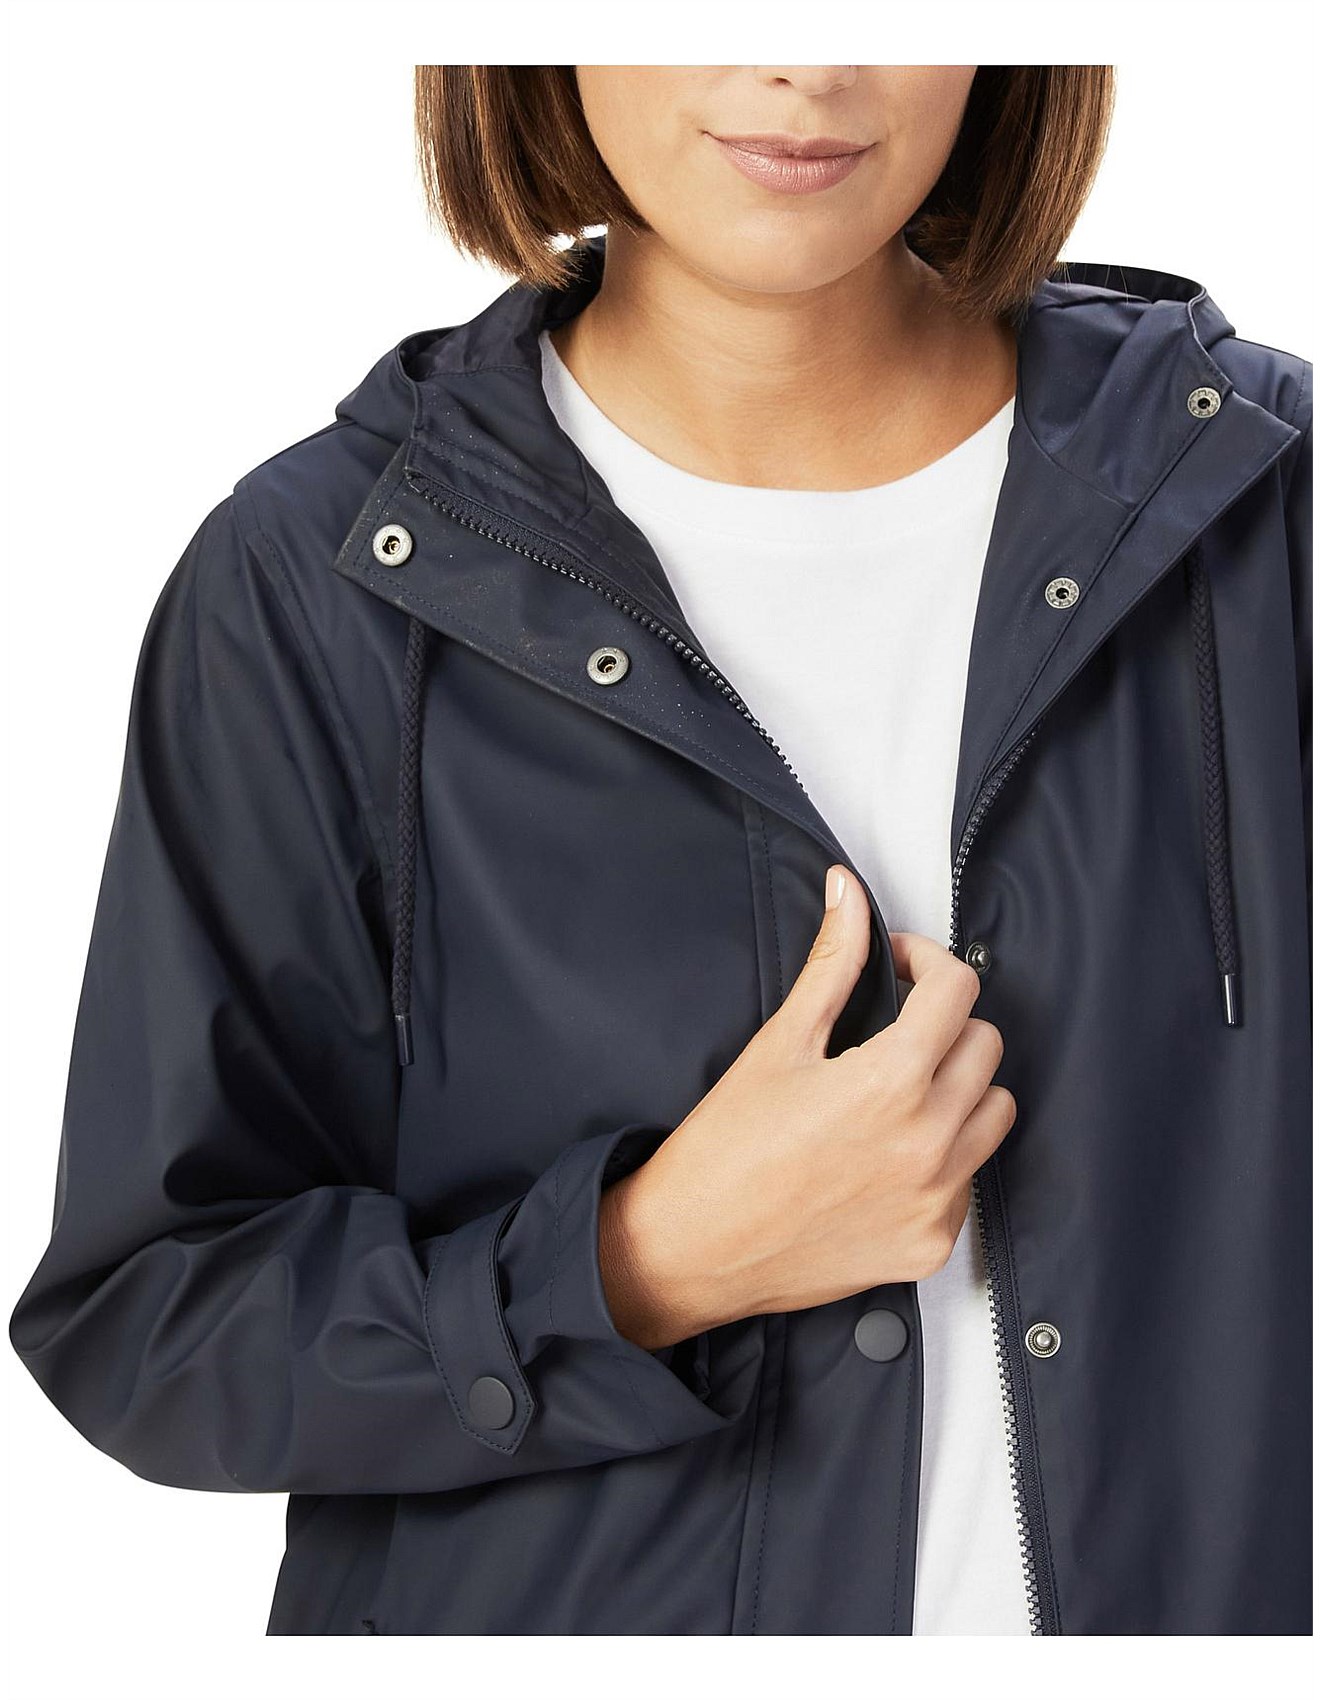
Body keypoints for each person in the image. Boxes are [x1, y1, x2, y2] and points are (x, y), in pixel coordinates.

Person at [8, 65, 1311, 1636]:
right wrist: (641, 1267)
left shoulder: (1267, 516)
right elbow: (150, 1320)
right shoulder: (320, 582)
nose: (805, 62)